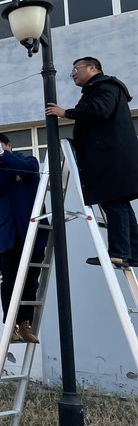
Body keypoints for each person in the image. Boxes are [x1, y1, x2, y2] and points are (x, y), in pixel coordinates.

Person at [46, 57, 138, 268]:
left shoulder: (105, 86)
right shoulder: (102, 88)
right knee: (120, 204)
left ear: (92, 68)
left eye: (76, 69)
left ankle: (119, 252)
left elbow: (99, 110)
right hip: (113, 158)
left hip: (109, 158)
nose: (73, 74)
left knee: (112, 202)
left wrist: (66, 113)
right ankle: (132, 252)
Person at [0, 133, 48, 343]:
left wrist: (5, 155)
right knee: (9, 281)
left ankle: (25, 324)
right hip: (9, 235)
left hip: (32, 234)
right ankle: (10, 324)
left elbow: (28, 171)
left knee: (30, 281)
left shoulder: (27, 161)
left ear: (9, 145)